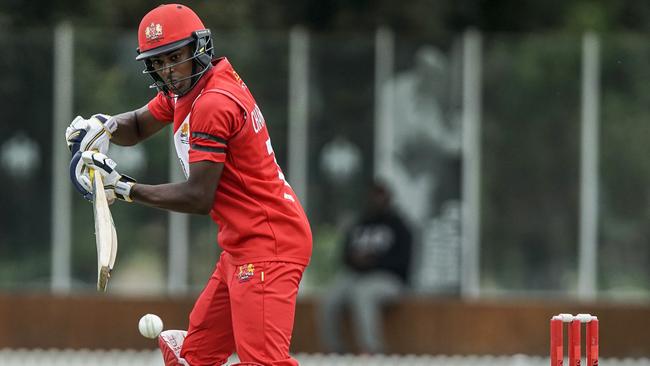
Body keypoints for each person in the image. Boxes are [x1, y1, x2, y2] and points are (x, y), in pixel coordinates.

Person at [65, 4, 312, 366]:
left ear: (198, 48)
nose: (169, 71)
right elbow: (138, 123)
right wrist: (103, 126)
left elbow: (199, 197)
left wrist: (125, 188)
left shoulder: (212, 103)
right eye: (158, 62)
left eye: (175, 57)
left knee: (264, 362)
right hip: (243, 243)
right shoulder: (188, 88)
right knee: (195, 359)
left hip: (268, 245)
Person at [318, 181, 412, 354]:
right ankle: (333, 349)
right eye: (374, 195)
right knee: (330, 296)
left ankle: (372, 349)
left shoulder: (399, 226)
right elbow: (344, 255)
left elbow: (403, 261)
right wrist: (357, 260)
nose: (377, 200)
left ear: (389, 198)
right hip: (356, 275)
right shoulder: (360, 223)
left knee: (362, 293)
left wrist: (374, 261)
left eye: (381, 195)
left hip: (388, 278)